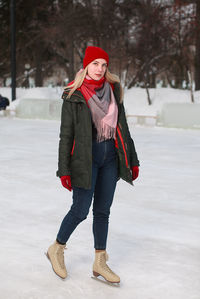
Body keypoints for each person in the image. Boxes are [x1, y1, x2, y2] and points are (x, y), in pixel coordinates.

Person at [47, 46, 140, 284]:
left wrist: (133, 160)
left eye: (104, 65)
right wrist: (64, 170)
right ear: (86, 65)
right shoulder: (74, 95)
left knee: (102, 211)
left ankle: (100, 261)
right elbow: (65, 136)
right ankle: (56, 248)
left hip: (110, 158)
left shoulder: (114, 91)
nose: (100, 69)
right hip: (84, 161)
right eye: (95, 64)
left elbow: (123, 128)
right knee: (80, 210)